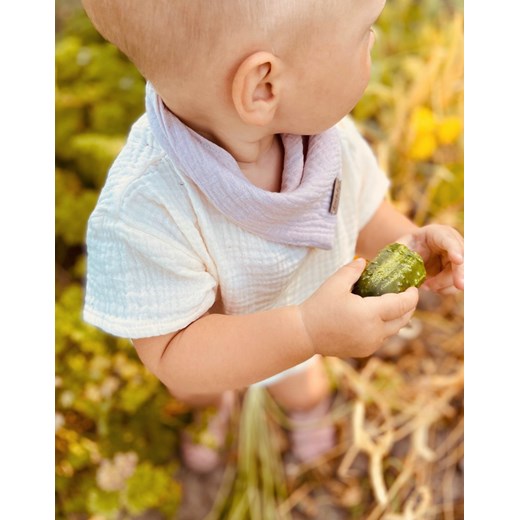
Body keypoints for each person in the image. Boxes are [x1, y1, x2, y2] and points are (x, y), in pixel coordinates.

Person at [81, 0, 464, 473]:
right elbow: (173, 350)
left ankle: (303, 410)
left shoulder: (326, 141)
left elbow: (362, 215)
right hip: (213, 347)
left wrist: (414, 244)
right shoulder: (146, 208)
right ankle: (214, 411)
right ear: (264, 86)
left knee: (302, 387)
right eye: (365, 31)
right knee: (200, 387)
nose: (375, 42)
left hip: (306, 327)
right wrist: (307, 330)